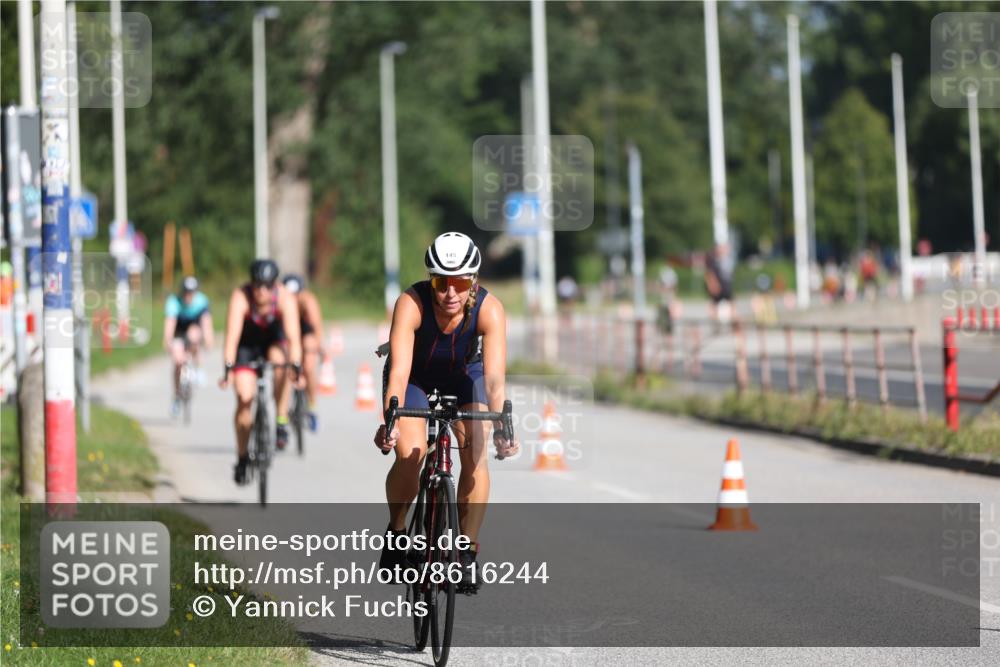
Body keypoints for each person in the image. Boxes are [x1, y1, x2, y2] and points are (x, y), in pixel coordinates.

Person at [374, 231, 519, 593]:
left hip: (464, 375)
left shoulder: (490, 309)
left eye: (459, 283)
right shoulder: (411, 302)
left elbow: (495, 381)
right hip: (416, 379)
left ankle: (466, 552)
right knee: (412, 453)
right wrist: (390, 420)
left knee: (475, 453)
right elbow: (400, 371)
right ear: (430, 280)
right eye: (441, 282)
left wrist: (502, 426)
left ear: (473, 282)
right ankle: (397, 531)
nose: (450, 293)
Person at [218, 259, 303, 485]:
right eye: (257, 285)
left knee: (281, 365)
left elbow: (294, 337)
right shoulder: (240, 297)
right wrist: (228, 369)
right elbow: (232, 337)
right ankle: (243, 456)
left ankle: (281, 419)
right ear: (251, 284)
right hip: (247, 346)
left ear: (274, 285)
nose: (261, 291)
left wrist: (296, 366)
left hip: (273, 343)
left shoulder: (285, 297)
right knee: (245, 398)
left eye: (267, 286)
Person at [163, 276, 213, 416]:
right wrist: (168, 342)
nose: (188, 296)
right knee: (178, 361)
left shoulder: (201, 301)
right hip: (179, 332)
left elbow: (206, 323)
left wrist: (209, 340)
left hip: (193, 330)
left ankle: (198, 368)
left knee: (195, 335)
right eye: (186, 292)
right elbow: (170, 324)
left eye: (191, 293)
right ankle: (177, 396)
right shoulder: (173, 302)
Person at [281, 273, 325, 432]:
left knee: (308, 365)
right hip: (288, 331)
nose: (292, 298)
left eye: (295, 295)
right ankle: (283, 412)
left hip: (305, 331)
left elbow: (317, 327)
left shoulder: (308, 301)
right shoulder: (282, 302)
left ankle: (312, 406)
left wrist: (319, 347)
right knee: (284, 364)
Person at [704, 242, 734, 324]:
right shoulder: (712, 260)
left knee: (730, 305)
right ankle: (715, 324)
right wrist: (712, 285)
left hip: (725, 286)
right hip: (719, 287)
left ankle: (731, 324)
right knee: (714, 305)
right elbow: (709, 274)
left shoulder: (725, 259)